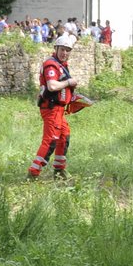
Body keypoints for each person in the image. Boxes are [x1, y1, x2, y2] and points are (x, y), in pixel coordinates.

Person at [27, 33, 79, 179]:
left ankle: (59, 170)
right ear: (56, 49)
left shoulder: (62, 65)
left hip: (59, 109)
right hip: (51, 108)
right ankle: (33, 173)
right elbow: (52, 86)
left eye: (68, 50)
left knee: (64, 136)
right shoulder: (51, 65)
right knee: (50, 140)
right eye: (62, 49)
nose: (65, 53)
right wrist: (69, 82)